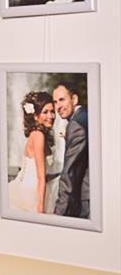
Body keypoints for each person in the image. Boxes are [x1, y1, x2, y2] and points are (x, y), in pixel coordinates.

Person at [8, 91, 56, 214]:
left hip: (29, 188)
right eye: (45, 112)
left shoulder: (36, 134)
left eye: (52, 111)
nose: (51, 116)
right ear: (35, 116)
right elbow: (40, 177)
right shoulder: (39, 136)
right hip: (31, 193)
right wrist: (40, 206)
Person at [53, 82, 89, 218]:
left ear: (74, 99)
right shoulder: (85, 116)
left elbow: (70, 173)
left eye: (62, 100)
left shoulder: (76, 125)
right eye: (55, 102)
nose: (58, 106)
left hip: (86, 200)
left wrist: (59, 214)